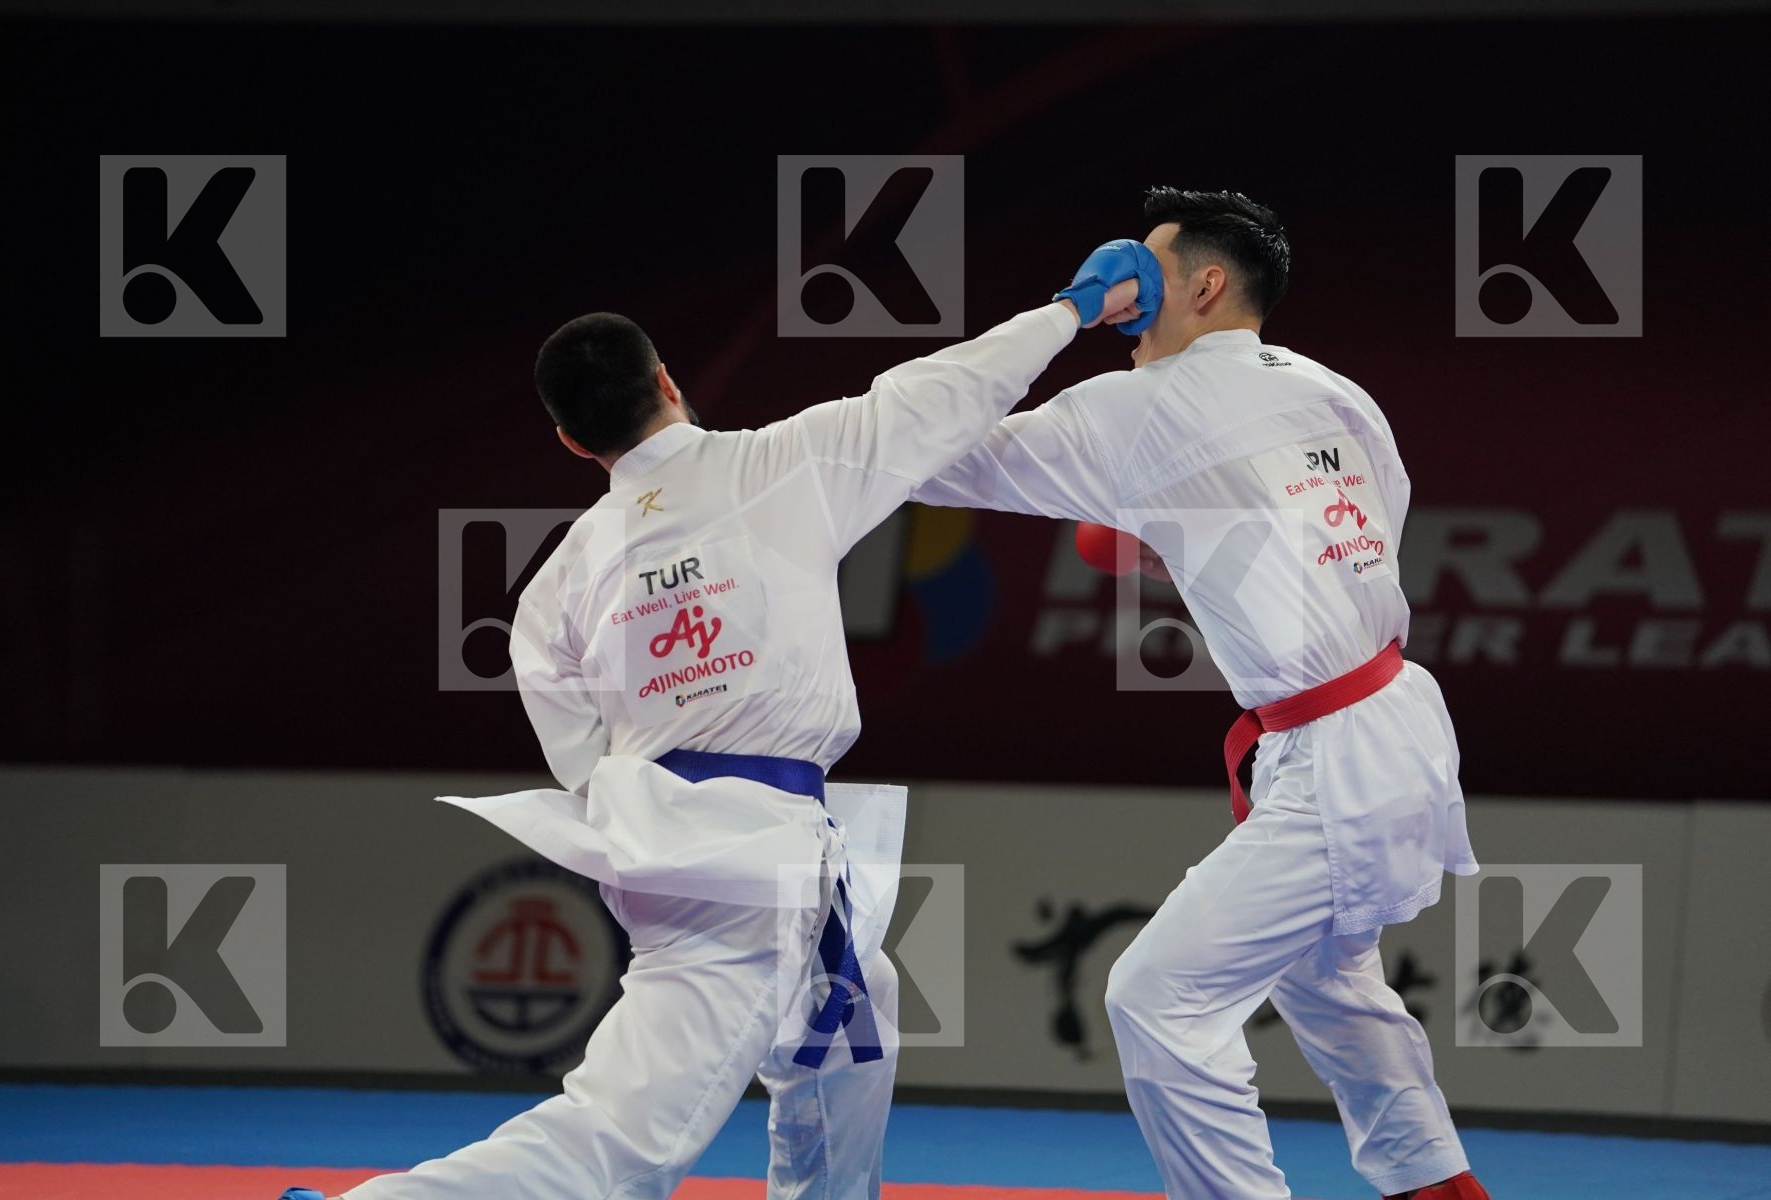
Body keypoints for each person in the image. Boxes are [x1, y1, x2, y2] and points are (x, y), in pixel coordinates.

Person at [279, 246, 1151, 1200]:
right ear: (668, 382)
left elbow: (583, 760)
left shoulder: (555, 586)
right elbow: (944, 391)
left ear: (574, 443)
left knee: (850, 1039)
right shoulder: (786, 463)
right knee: (627, 1146)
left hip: (690, 847)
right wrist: (1074, 310)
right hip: (744, 866)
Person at [913, 187, 1490, 1200]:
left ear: (1206, 285)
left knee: (1156, 1000)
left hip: (1336, 752)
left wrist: (1065, 311)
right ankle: (1441, 1190)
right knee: (1334, 990)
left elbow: (929, 452)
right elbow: (1364, 532)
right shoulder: (1338, 390)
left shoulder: (1145, 406)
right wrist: (1191, 529)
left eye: (1142, 274)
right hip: (1389, 719)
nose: (1128, 300)